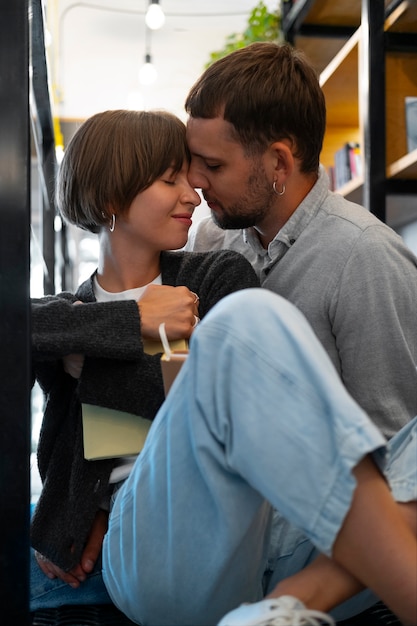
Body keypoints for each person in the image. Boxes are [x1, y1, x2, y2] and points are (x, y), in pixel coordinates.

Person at [30, 109, 259, 611]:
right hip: (102, 541)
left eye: (190, 177)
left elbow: (211, 412)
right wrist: (126, 324)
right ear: (113, 198)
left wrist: (87, 362)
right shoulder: (71, 311)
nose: (193, 193)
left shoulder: (216, 278)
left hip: (198, 521)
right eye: (169, 178)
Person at [102, 288, 417, 626]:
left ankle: (288, 604)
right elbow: (64, 464)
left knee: (242, 322)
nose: (193, 230)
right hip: (178, 538)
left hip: (292, 530)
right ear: (106, 228)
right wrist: (124, 321)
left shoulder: (213, 271)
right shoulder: (73, 306)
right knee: (242, 318)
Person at [183, 41, 417, 441]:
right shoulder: (212, 239)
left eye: (214, 166)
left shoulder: (366, 258)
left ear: (279, 162)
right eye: (193, 161)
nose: (194, 181)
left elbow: (395, 450)